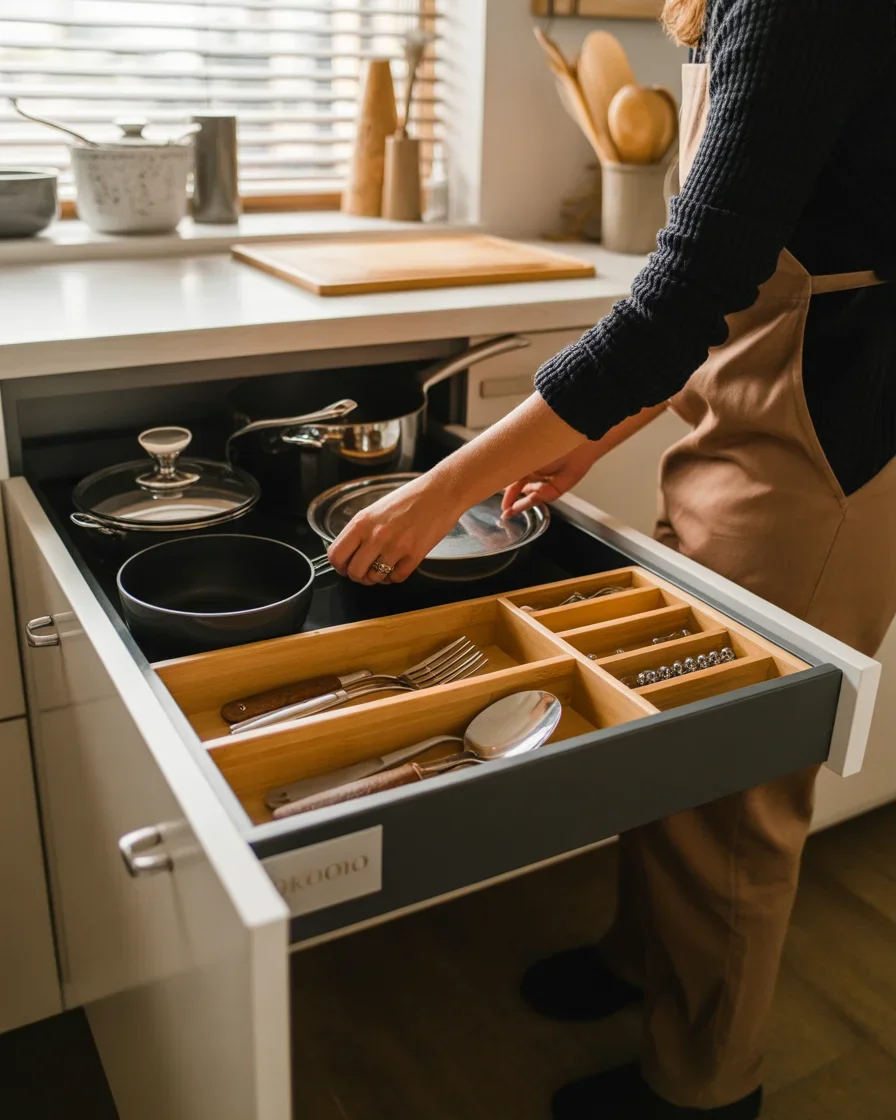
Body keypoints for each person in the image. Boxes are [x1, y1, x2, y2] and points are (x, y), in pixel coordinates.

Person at [329, 0, 896, 1115]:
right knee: (673, 726)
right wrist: (595, 430)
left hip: (824, 433)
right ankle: (645, 957)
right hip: (751, 402)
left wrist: (436, 490)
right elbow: (734, 285)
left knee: (736, 789)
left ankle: (704, 1083)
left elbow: (683, 293)